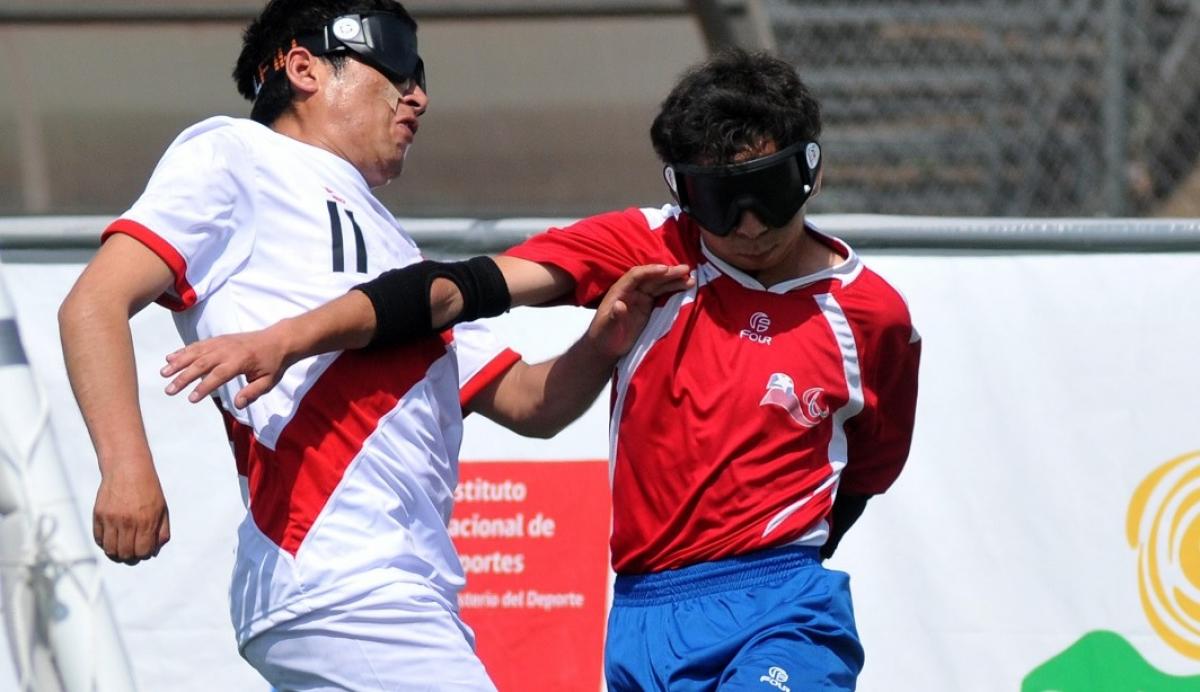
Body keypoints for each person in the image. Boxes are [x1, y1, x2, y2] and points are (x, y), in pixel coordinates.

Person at [163, 49, 921, 691]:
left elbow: (864, 475)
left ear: (812, 172)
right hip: (645, 617)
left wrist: (778, 560)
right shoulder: (647, 245)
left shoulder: (873, 317)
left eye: (769, 191)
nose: (749, 224)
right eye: (720, 201)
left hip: (782, 601)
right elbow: (462, 288)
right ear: (681, 194)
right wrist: (290, 339)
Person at [57, 0, 690, 689]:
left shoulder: (401, 255)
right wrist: (125, 469)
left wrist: (603, 341)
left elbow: (531, 403)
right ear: (303, 67)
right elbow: (92, 302)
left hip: (407, 586)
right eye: (396, 70)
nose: (418, 96)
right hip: (338, 576)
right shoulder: (234, 154)